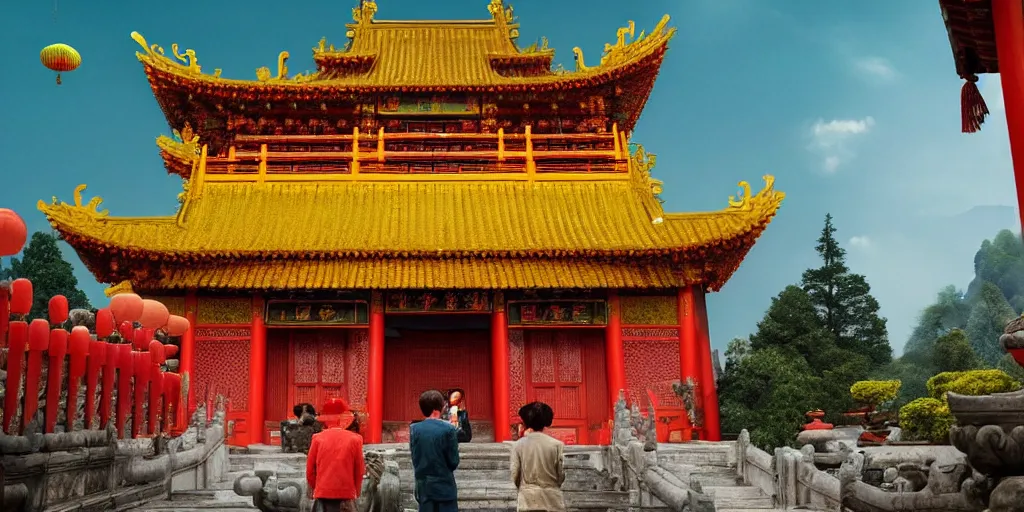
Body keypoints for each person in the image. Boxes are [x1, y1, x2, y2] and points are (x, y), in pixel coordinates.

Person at [306, 397, 365, 512]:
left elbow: (310, 470)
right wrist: (356, 491)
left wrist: (317, 487)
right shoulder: (355, 439)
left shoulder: (317, 438)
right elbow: (359, 470)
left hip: (323, 493)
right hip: (346, 493)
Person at [409, 389, 461, 512]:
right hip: (444, 486)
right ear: (439, 408)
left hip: (423, 487)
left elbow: (415, 457)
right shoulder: (449, 429)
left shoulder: (414, 429)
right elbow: (453, 461)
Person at [510, 402, 565, 512]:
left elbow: (515, 474)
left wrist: (524, 487)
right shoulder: (557, 445)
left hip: (528, 499)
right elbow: (561, 474)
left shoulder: (518, 445)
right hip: (552, 498)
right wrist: (552, 486)